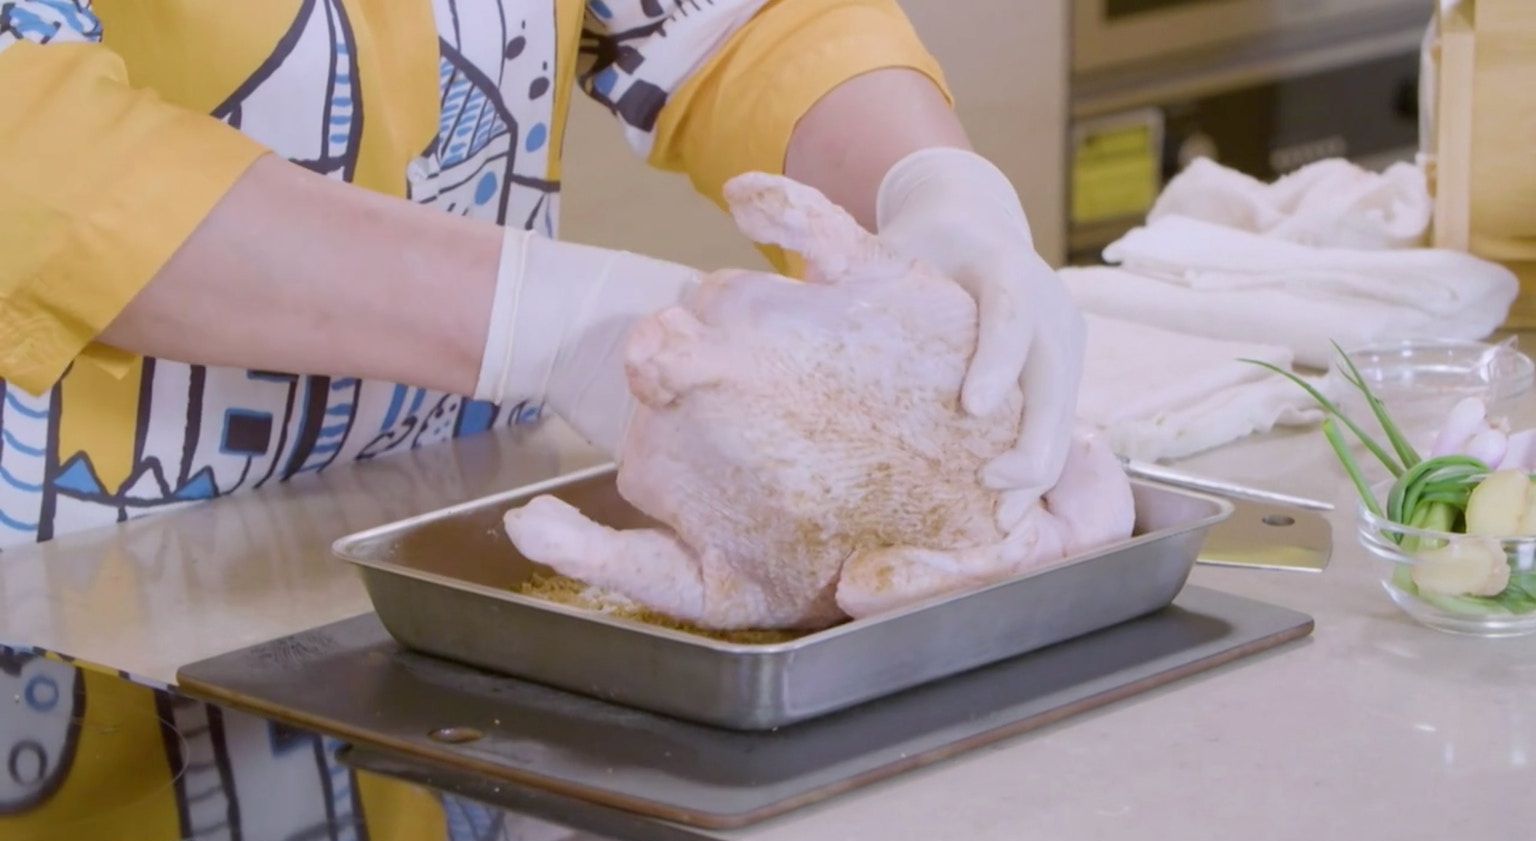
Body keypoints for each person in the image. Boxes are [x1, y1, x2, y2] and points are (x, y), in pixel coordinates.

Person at [0, 0, 1084, 552]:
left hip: (438, 521)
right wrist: (545, 318)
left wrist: (927, 185)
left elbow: (740, 19)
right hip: (69, 592)